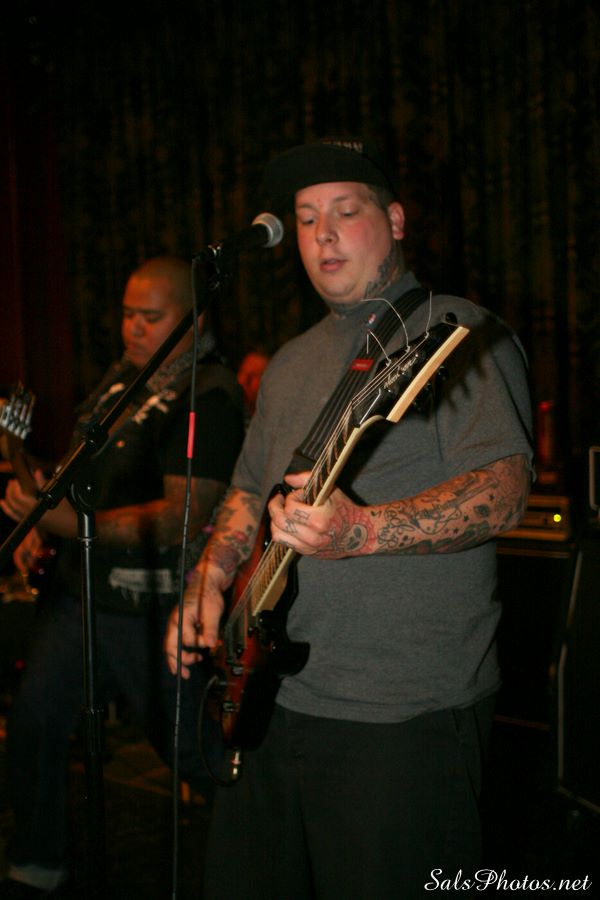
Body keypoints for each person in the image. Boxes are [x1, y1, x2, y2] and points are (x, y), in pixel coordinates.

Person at [165, 139, 534, 899]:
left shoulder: (457, 331)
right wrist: (211, 578)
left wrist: (360, 531)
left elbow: (504, 489)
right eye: (305, 219)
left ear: (394, 221)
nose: (323, 234)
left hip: (401, 714)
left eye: (344, 211)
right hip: (272, 699)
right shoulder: (289, 362)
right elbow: (247, 491)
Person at [0, 256, 245, 897]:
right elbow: (78, 475)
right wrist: (39, 516)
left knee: (189, 749)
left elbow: (180, 515)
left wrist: (65, 522)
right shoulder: (119, 382)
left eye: (151, 317)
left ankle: (261, 854)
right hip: (81, 594)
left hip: (153, 606)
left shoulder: (209, 394)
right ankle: (36, 861)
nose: (134, 328)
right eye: (128, 314)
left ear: (193, 320)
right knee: (35, 721)